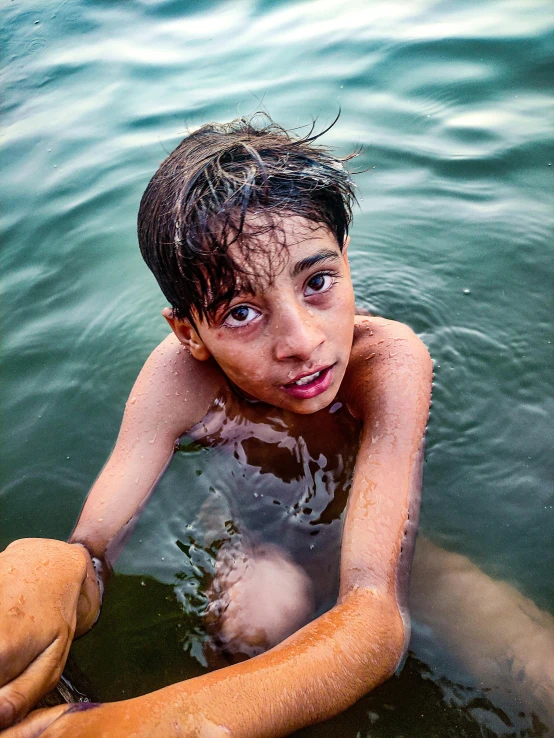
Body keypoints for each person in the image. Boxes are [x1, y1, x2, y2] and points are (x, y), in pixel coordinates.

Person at [0, 116, 552, 738]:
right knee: (258, 616)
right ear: (189, 334)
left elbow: (374, 614)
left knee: (538, 670)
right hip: (256, 542)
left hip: (390, 554)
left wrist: (105, 730)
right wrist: (40, 574)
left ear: (346, 260)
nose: (302, 341)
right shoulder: (180, 378)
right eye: (240, 312)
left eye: (318, 282)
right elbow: (93, 552)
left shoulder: (390, 362)